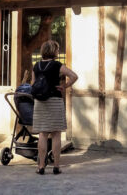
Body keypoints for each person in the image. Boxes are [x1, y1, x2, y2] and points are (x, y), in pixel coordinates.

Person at [31, 40, 78, 175]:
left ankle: (41, 166)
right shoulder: (57, 65)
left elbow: (33, 83)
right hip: (55, 101)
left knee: (43, 134)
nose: (58, 51)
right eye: (57, 49)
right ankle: (56, 166)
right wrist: (65, 86)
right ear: (53, 51)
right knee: (56, 134)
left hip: (40, 102)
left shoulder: (36, 65)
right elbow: (74, 76)